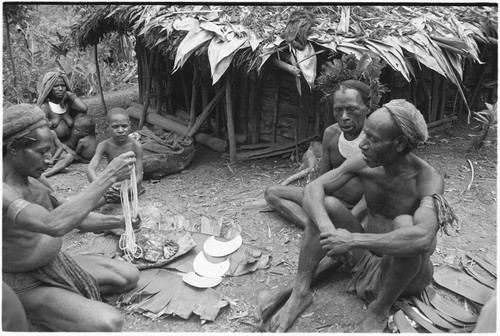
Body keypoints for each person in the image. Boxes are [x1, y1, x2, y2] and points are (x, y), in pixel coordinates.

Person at [255, 99, 457, 332]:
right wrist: (329, 231)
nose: (362, 145)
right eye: (365, 135)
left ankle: (379, 309)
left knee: (405, 224)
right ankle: (300, 290)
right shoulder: (365, 162)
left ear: (400, 143)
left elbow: (422, 238)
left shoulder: (428, 179)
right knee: (325, 205)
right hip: (363, 259)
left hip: (404, 276)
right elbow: (313, 189)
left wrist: (351, 240)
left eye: (373, 139)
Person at [2, 103, 141, 332]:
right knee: (108, 323)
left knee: (128, 276)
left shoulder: (36, 179)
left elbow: (73, 216)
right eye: (41, 152)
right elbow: (53, 224)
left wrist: (120, 221)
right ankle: (25, 309)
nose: (49, 159)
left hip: (55, 264)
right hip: (24, 283)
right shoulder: (4, 193)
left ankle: (60, 299)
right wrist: (107, 177)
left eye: (49, 150)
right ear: (14, 148)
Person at [264, 80, 373, 229]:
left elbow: (377, 193)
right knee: (272, 193)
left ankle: (329, 228)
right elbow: (322, 179)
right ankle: (320, 230)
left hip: (364, 209)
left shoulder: (377, 139)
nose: (344, 117)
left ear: (367, 107)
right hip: (330, 202)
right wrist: (316, 204)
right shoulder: (331, 134)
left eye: (351, 109)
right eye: (338, 110)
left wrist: (351, 219)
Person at [87, 107, 144, 205]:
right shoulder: (104, 145)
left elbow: (139, 175)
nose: (120, 130)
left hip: (131, 186)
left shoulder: (136, 146)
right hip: (113, 184)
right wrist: (101, 186)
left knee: (95, 201)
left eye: (124, 126)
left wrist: (129, 187)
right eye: (115, 126)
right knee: (96, 191)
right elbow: (90, 169)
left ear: (130, 125)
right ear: (107, 126)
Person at [37, 70, 88, 141]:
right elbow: (43, 134)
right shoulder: (45, 107)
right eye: (56, 86)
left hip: (71, 143)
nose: (60, 89)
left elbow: (84, 109)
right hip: (57, 146)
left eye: (63, 85)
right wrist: (65, 149)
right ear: (49, 88)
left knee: (82, 115)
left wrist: (70, 94)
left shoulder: (68, 103)